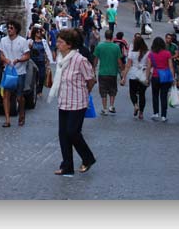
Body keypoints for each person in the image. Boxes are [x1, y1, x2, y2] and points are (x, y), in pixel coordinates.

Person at [49, 29, 97, 176]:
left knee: (72, 132)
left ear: (69, 45)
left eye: (60, 42)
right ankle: (67, 166)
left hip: (77, 102)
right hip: (63, 101)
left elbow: (91, 79)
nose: (57, 44)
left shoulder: (79, 60)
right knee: (63, 134)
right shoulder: (60, 60)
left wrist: (85, 92)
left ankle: (88, 158)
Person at [0, 19, 30, 128]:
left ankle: (21, 113)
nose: (9, 30)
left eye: (11, 28)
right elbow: (1, 54)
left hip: (19, 71)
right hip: (8, 72)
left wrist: (18, 60)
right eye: (8, 28)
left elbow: (27, 55)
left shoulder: (22, 41)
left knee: (19, 97)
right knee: (6, 95)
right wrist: (5, 60)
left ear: (16, 29)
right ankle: (7, 120)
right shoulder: (3, 40)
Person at [93, 29, 124, 115]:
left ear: (105, 36)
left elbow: (95, 59)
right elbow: (119, 61)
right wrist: (122, 71)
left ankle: (104, 108)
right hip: (113, 72)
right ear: (112, 37)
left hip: (102, 72)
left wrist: (94, 69)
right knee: (112, 90)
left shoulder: (99, 46)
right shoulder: (116, 47)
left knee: (103, 91)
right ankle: (111, 105)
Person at [146, 36, 175, 122]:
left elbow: (148, 67)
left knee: (155, 95)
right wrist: (173, 78)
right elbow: (171, 67)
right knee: (164, 96)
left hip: (155, 76)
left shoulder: (151, 54)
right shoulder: (167, 53)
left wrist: (147, 78)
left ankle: (155, 113)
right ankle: (164, 115)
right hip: (165, 76)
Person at [121, 34, 149, 120]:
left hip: (133, 73)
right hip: (143, 74)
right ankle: (141, 113)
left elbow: (128, 65)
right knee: (142, 94)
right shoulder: (147, 52)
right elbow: (149, 65)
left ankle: (135, 105)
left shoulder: (132, 53)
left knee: (132, 92)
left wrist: (123, 77)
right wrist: (148, 77)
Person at [28, 26, 55, 98]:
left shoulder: (43, 41)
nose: (39, 33)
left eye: (40, 32)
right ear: (34, 33)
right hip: (33, 62)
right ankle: (35, 90)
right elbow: (27, 51)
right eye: (38, 32)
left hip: (41, 61)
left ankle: (39, 90)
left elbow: (47, 51)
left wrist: (49, 61)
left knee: (42, 76)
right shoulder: (30, 41)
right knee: (34, 76)